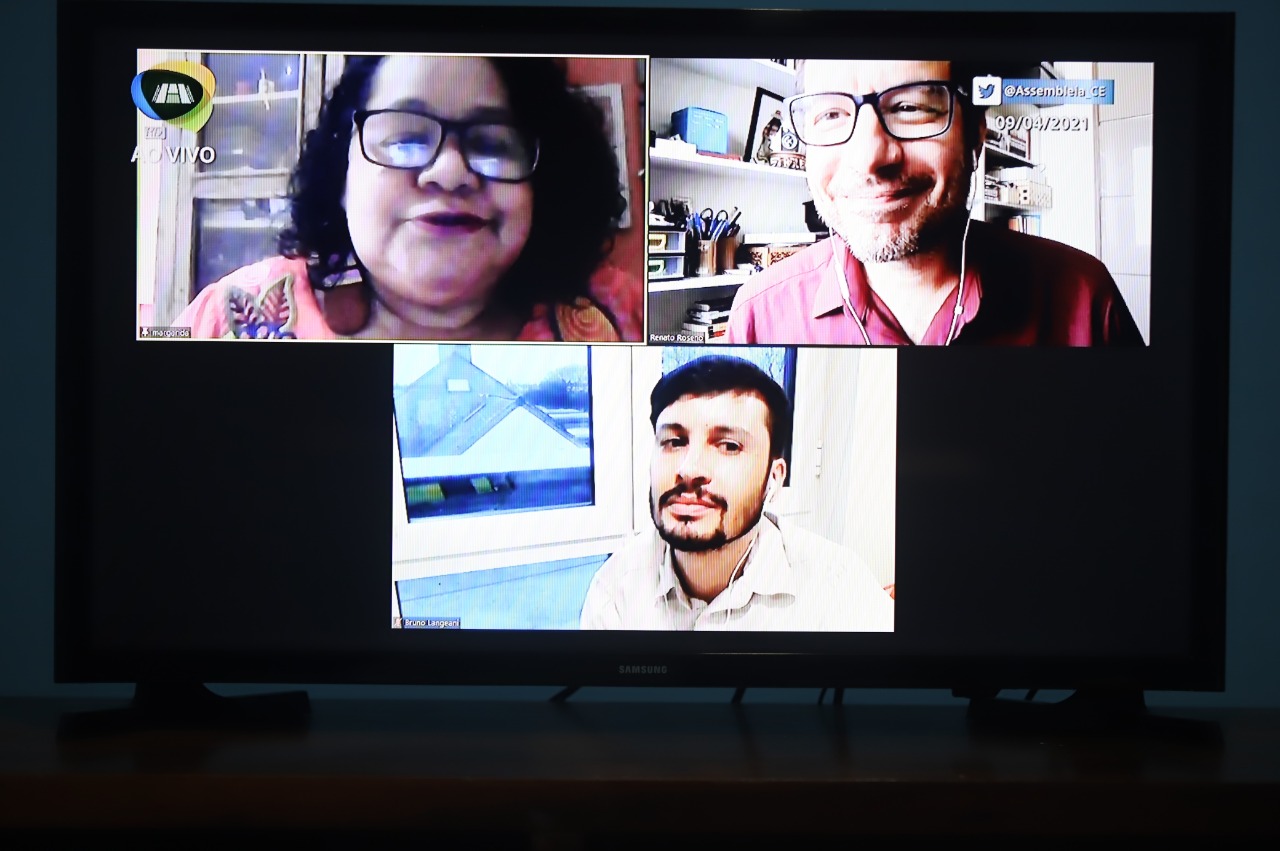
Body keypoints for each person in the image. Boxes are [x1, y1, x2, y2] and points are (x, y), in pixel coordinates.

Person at [176, 55, 642, 341]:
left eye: (493, 144)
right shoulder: (227, 317)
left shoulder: (624, 313)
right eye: (404, 139)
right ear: (342, 174)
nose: (450, 172)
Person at [726, 59, 1143, 346]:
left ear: (976, 133)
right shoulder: (758, 317)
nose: (869, 158)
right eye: (831, 115)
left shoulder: (1085, 300)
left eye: (910, 107)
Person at [580, 355, 893, 631]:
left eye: (729, 446)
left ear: (773, 479)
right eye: (674, 442)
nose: (689, 470)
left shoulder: (839, 587)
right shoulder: (616, 590)